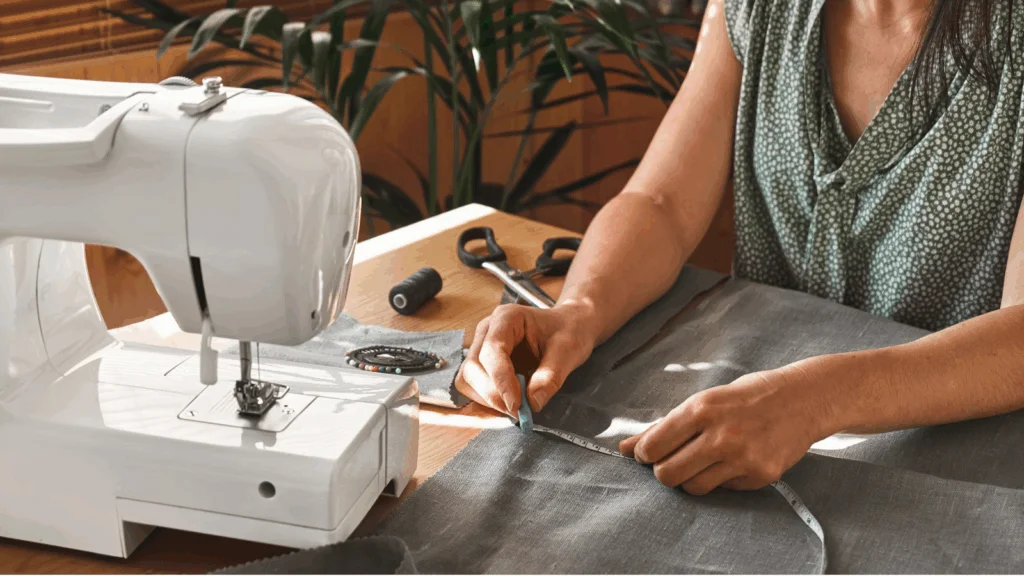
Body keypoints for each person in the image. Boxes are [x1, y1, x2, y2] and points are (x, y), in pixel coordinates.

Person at [455, 0, 1024, 496]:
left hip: (954, 458)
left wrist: (818, 399)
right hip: (748, 424)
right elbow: (661, 203)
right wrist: (578, 310)